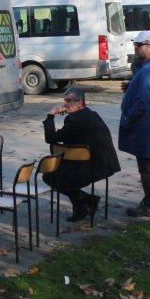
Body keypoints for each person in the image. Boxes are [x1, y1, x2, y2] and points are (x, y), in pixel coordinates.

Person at [43, 87, 121, 222]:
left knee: (50, 176)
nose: (66, 104)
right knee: (60, 174)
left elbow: (51, 139)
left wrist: (51, 115)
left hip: (92, 166)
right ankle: (87, 201)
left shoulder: (74, 119)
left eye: (69, 101)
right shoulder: (91, 114)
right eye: (65, 100)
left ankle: (83, 204)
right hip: (105, 163)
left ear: (80, 103)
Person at [119, 31, 150, 218]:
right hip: (149, 124)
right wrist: (131, 85)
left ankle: (149, 204)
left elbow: (145, 101)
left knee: (146, 167)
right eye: (135, 45)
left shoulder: (149, 69)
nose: (136, 48)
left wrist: (128, 117)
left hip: (144, 125)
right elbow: (145, 89)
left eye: (138, 45)